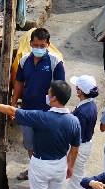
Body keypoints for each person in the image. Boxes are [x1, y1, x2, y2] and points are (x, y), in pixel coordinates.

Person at [11, 28, 65, 180]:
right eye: (36, 45)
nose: (39, 48)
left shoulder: (55, 62)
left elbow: (60, 87)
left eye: (42, 45)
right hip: (27, 109)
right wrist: (14, 103)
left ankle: (45, 174)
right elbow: (19, 82)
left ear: (48, 44)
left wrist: (57, 110)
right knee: (29, 143)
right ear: (30, 44)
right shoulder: (24, 60)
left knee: (45, 143)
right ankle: (34, 170)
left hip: (47, 112)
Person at [62, 75, 100, 189]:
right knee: (75, 178)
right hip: (84, 144)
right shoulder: (88, 105)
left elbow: (76, 140)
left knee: (77, 179)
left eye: (77, 88)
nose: (75, 90)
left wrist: (70, 159)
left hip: (80, 147)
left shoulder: (83, 112)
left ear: (81, 91)